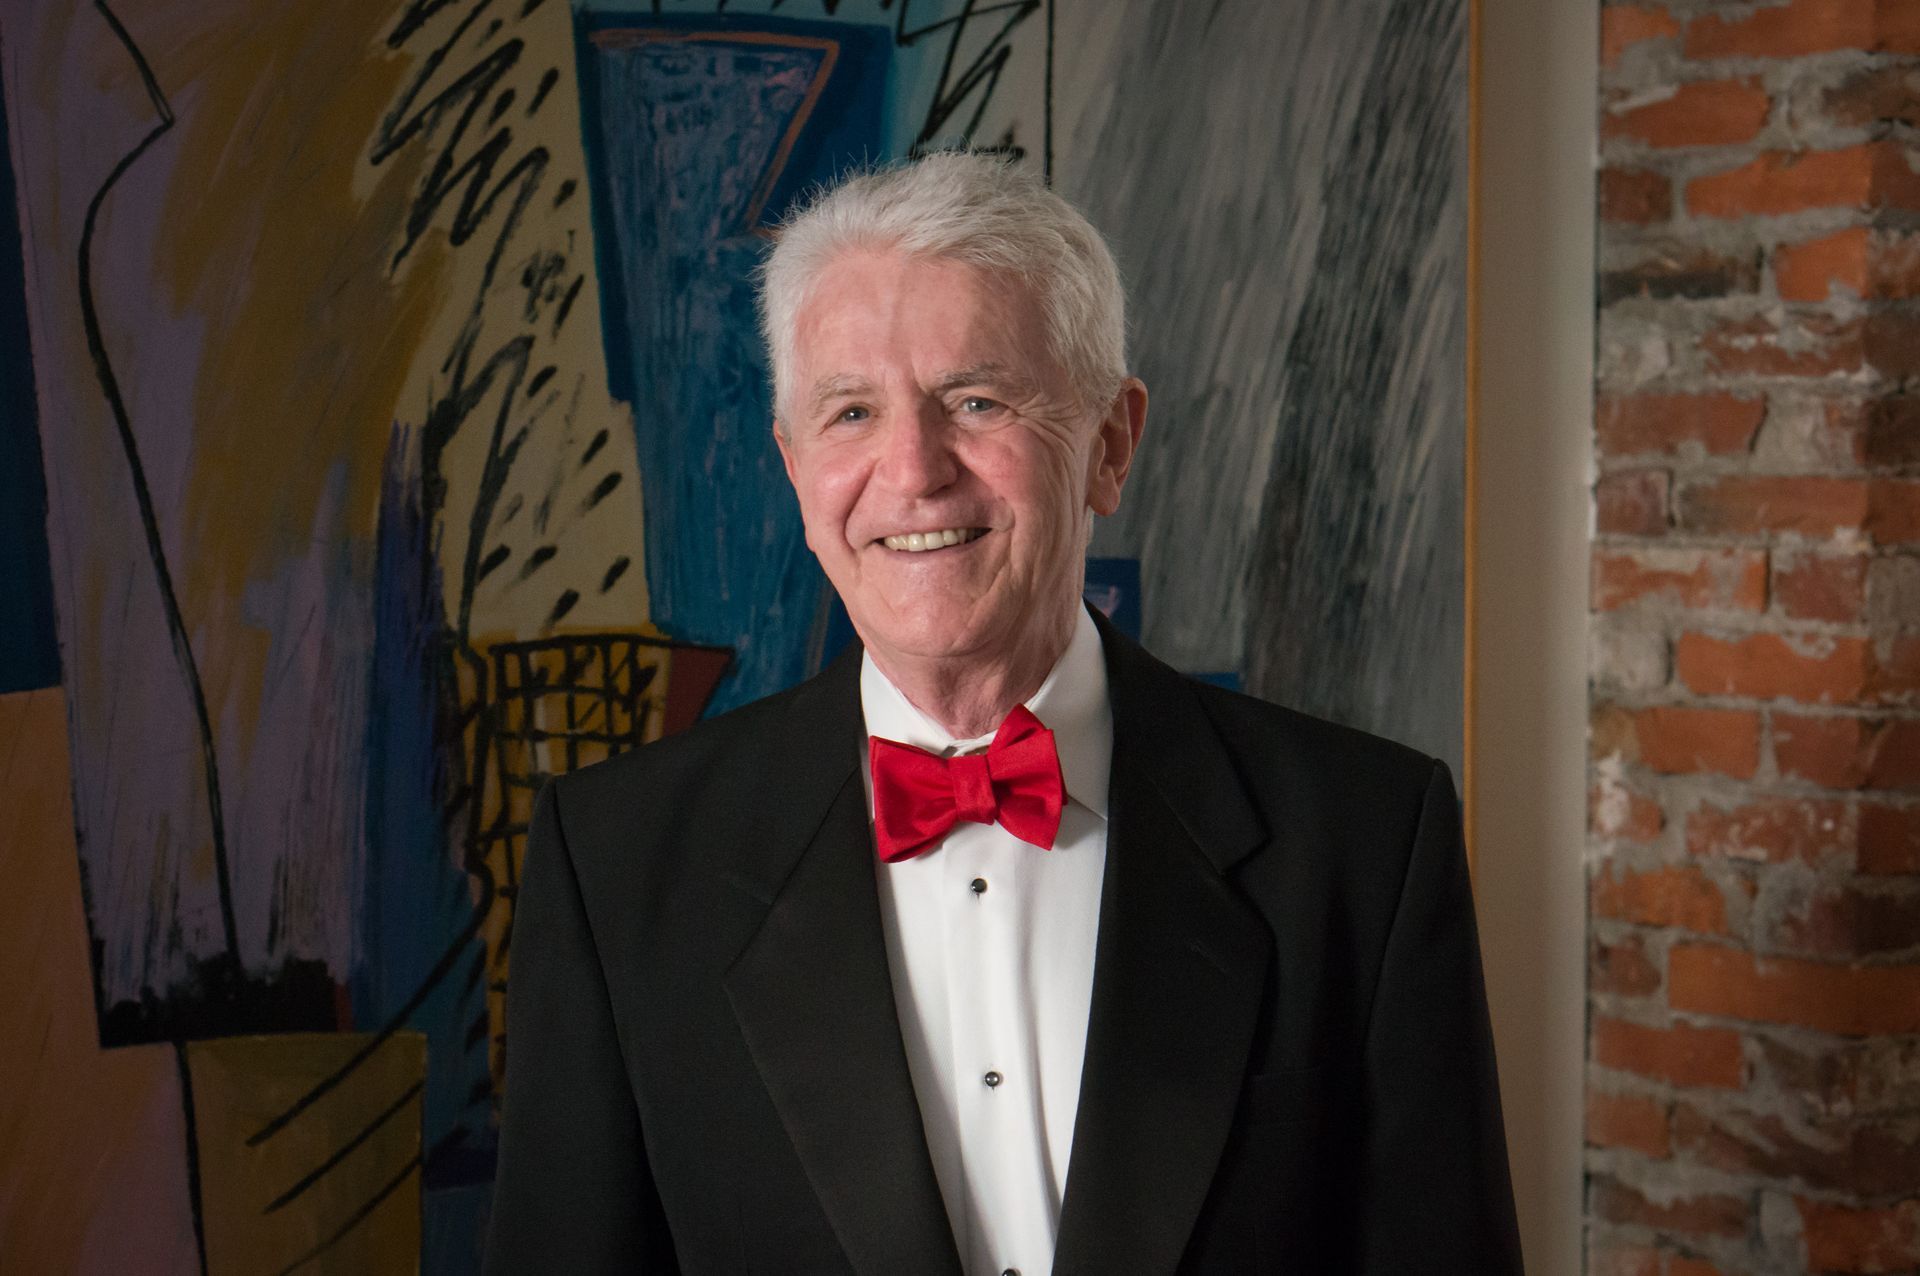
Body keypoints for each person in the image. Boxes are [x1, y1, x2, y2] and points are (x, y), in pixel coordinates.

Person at [485, 151, 1522, 1275]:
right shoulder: (619, 864)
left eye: (976, 402)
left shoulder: (1367, 842)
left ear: (1110, 444)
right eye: (851, 411)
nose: (913, 471)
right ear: (794, 469)